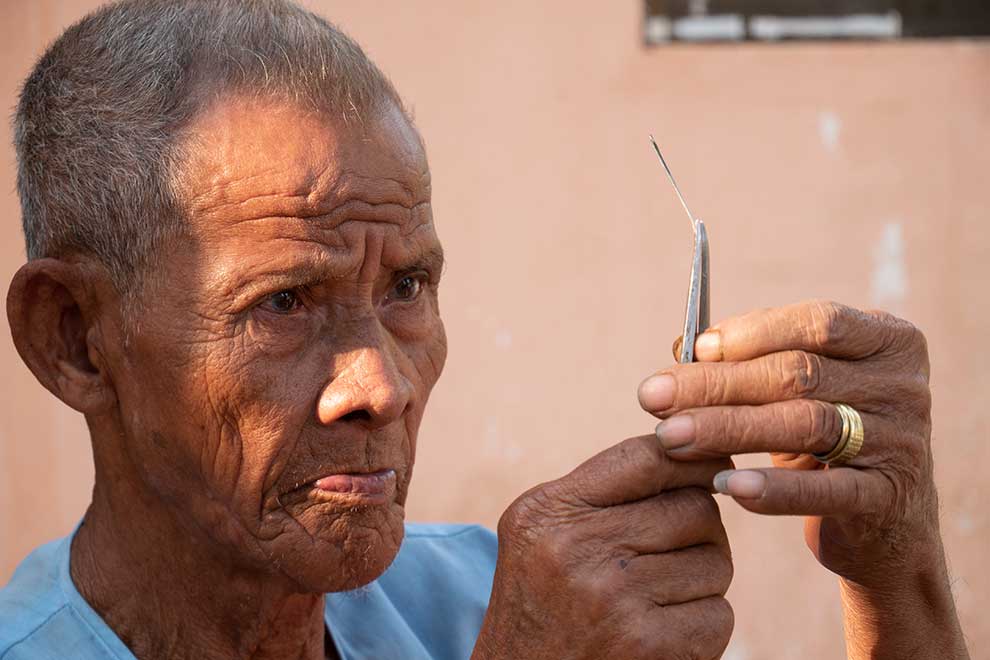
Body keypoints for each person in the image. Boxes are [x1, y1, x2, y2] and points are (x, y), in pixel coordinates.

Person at [0, 1, 969, 658]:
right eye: (283, 304)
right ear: (74, 338)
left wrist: (898, 574)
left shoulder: (480, 597)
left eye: (407, 286)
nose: (384, 386)